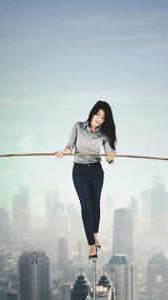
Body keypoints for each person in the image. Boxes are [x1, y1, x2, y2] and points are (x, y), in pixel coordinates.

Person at [55, 100, 117, 261]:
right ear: (92, 113)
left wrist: (110, 156)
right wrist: (64, 152)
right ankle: (91, 244)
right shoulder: (77, 126)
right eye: (98, 114)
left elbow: (109, 150)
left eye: (103, 117)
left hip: (96, 171)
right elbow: (69, 146)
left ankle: (94, 235)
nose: (99, 118)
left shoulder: (103, 134)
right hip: (79, 171)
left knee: (95, 205)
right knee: (86, 206)